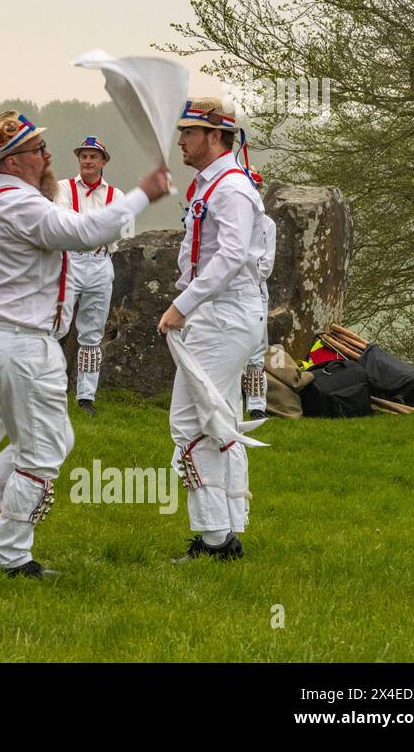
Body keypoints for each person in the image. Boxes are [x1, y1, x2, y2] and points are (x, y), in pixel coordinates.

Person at [0, 112, 168, 578]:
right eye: (39, 149)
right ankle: (12, 555)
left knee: (51, 438)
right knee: (41, 454)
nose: (48, 156)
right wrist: (145, 192)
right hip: (18, 342)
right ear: (15, 159)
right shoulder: (20, 203)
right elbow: (86, 234)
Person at [156, 98, 266, 563]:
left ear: (216, 136)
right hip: (219, 312)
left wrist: (182, 305)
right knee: (218, 420)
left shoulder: (231, 189)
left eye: (189, 132)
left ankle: (215, 538)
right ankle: (227, 529)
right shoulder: (213, 184)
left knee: (189, 422)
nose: (181, 140)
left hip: (223, 314)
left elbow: (233, 255)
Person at [54, 136, 124, 416]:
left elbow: (117, 227)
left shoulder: (115, 195)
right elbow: (61, 218)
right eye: (83, 156)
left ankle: (86, 397)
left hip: (99, 262)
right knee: (56, 325)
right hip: (70, 260)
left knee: (92, 333)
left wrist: (84, 226)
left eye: (93, 156)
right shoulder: (64, 187)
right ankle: (49, 386)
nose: (87, 161)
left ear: (103, 162)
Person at [243, 168, 276, 419]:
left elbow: (266, 264)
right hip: (226, 291)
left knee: (256, 348)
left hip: (254, 290)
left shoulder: (267, 225)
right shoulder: (228, 219)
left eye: (255, 187)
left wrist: (241, 274)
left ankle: (256, 405)